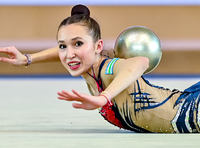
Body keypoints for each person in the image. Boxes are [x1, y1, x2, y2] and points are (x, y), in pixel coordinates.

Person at [0, 4, 200, 133]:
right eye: (63, 46)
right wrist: (27, 59)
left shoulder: (108, 69)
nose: (69, 54)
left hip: (193, 110)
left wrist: (102, 97)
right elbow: (67, 50)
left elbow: (140, 62)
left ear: (98, 46)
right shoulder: (90, 69)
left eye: (78, 44)